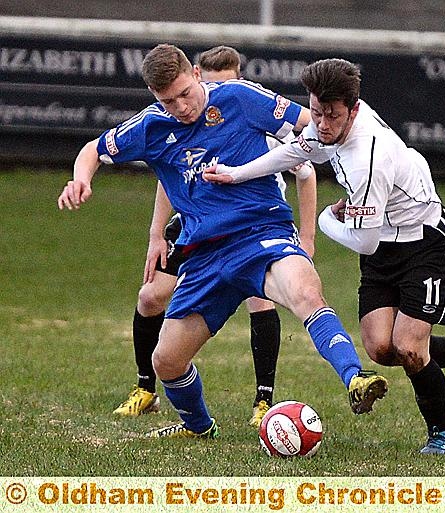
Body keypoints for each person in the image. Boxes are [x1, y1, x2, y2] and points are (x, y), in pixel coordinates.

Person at [57, 45, 388, 440]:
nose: (181, 106)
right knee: (166, 361)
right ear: (152, 94)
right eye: (168, 100)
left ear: (196, 74)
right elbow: (93, 149)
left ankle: (355, 378)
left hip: (261, 234)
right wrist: (82, 178)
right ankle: (198, 427)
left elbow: (310, 122)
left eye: (185, 93)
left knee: (306, 294)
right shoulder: (150, 127)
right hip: (203, 255)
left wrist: (358, 143)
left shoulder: (239, 98)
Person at [204, 58, 445, 454]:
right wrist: (235, 174)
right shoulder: (326, 122)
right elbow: (295, 151)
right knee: (380, 348)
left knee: (409, 346)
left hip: (423, 240)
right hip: (381, 239)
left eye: (333, 116)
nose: (322, 124)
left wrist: (322, 221)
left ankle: (443, 436)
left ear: (354, 110)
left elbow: (365, 242)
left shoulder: (366, 156)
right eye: (317, 112)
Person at [112, 45, 317, 429]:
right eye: (207, 84)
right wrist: (157, 233)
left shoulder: (253, 112)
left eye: (224, 84)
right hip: (196, 225)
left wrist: (307, 236)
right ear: (197, 75)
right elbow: (168, 173)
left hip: (253, 225)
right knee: (150, 295)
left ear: (238, 79)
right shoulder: (180, 116)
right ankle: (146, 386)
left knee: (260, 299)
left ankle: (263, 398)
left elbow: (306, 174)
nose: (204, 98)